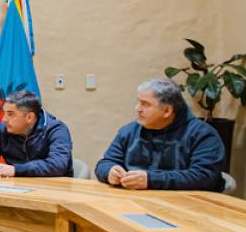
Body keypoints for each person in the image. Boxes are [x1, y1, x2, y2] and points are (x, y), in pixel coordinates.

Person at [95, 78, 225, 191]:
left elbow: (204, 176)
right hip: (133, 203)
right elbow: (105, 163)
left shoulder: (203, 135)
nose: (138, 108)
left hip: (186, 208)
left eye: (145, 104)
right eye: (139, 101)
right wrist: (110, 172)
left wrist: (151, 180)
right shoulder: (130, 131)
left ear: (167, 110)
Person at [0, 90, 73, 178]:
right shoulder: (4, 129)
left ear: (29, 117)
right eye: (4, 113)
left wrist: (15, 170)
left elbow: (57, 165)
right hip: (17, 186)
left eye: (10, 114)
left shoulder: (57, 130)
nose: (4, 119)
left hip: (54, 190)